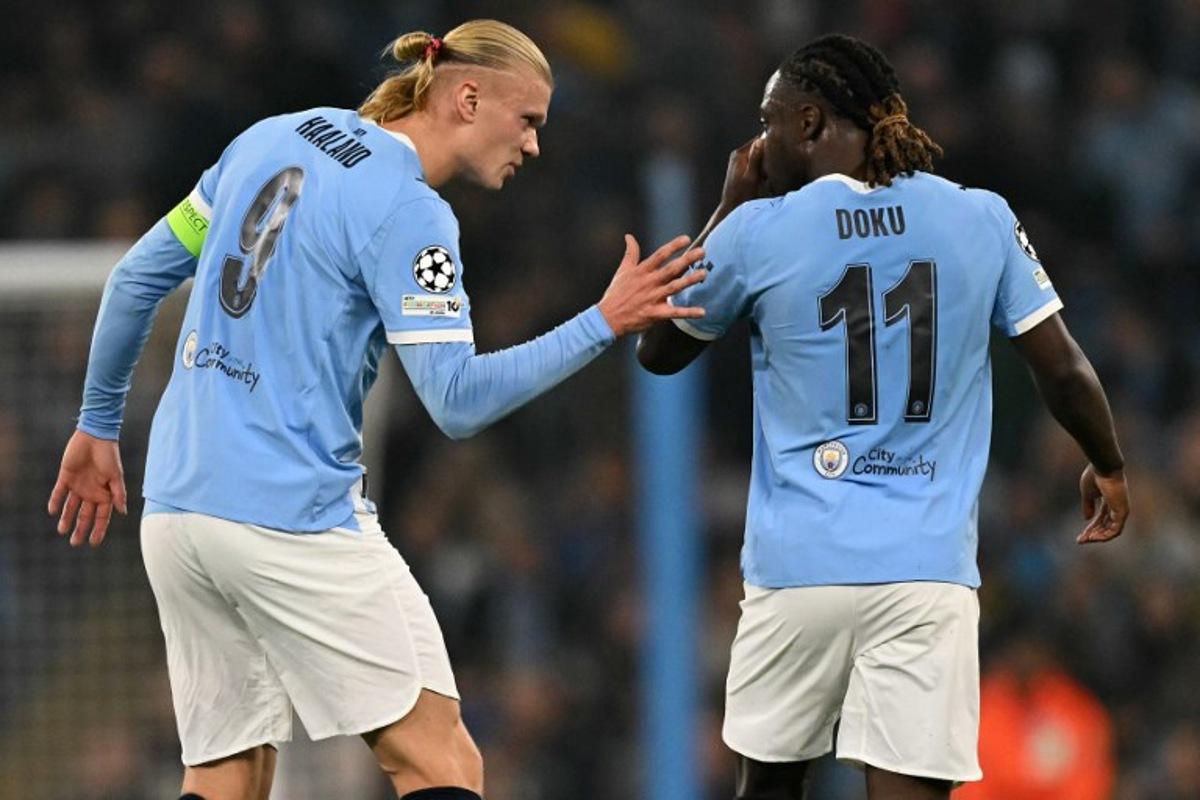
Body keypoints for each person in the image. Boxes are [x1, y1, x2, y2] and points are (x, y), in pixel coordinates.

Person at [47, 20, 707, 800]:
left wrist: (97, 424)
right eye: (527, 121)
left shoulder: (268, 138)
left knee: (226, 774)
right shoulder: (409, 211)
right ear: (467, 97)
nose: (532, 147)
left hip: (179, 513)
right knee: (441, 763)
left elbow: (134, 280)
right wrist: (603, 321)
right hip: (288, 517)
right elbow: (457, 401)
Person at [638, 33, 1130, 800]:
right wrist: (1109, 464)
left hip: (797, 569)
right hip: (924, 572)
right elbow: (1063, 368)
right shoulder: (980, 217)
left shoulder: (759, 230)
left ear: (807, 123)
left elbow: (660, 351)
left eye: (768, 122)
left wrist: (729, 205)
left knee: (769, 788)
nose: (758, 144)